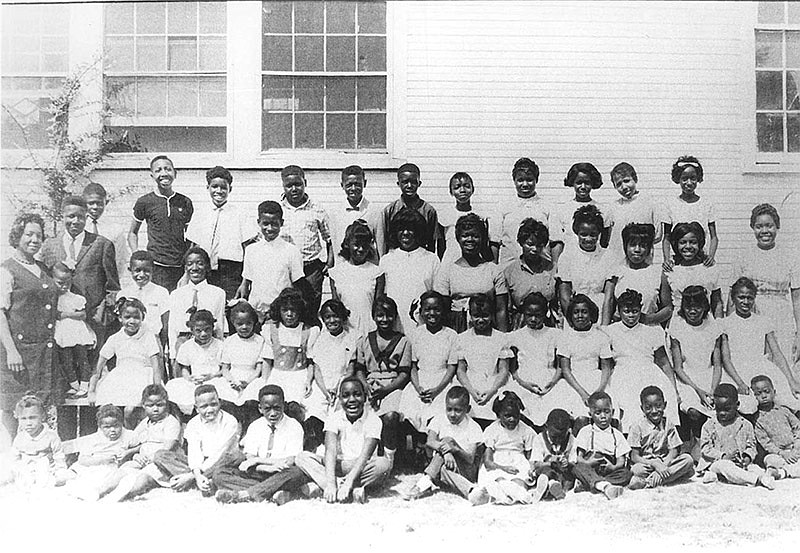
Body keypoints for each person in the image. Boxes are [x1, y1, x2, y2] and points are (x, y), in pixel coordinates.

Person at [0, 213, 59, 434]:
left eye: (39, 236)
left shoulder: (43, 268)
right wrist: (11, 352)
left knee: (41, 410)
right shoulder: (6, 270)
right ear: (17, 236)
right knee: (15, 408)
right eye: (29, 234)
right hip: (19, 354)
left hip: (44, 353)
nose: (34, 240)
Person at [41, 195, 120, 357]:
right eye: (71, 216)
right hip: (60, 320)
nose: (76, 221)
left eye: (80, 217)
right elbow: (44, 282)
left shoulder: (101, 244)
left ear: (87, 217)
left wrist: (102, 314)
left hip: (92, 318)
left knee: (90, 368)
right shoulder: (50, 246)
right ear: (62, 216)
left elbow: (113, 286)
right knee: (62, 368)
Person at [295, 376, 392, 503]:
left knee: (383, 464)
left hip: (361, 465)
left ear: (365, 398)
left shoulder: (374, 420)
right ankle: (344, 488)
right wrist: (331, 483)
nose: (352, 400)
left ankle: (336, 487)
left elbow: (365, 456)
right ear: (340, 399)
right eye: (346, 396)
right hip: (338, 465)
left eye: (357, 395)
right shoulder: (333, 418)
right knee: (302, 457)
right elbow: (330, 452)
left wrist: (348, 483)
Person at [213, 384, 310, 504]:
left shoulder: (294, 426)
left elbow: (290, 460)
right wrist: (265, 467)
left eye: (277, 408)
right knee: (219, 474)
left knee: (296, 473)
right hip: (259, 471)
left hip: (282, 472)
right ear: (260, 408)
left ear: (284, 406)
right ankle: (275, 492)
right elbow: (250, 457)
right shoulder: (255, 426)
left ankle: (245, 494)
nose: (273, 413)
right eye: (267, 409)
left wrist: (257, 461)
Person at [732, 203, 800, 365]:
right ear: (753, 228)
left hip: (781, 316)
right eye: (759, 226)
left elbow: (797, 299)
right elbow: (732, 295)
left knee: (783, 363)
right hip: (751, 314)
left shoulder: (790, 256)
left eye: (769, 226)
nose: (764, 231)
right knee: (753, 363)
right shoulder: (743, 255)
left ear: (777, 226)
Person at [722, 277, 800, 413]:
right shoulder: (725, 324)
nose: (746, 302)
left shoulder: (763, 321)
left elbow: (777, 353)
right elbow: (726, 359)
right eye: (741, 297)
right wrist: (739, 382)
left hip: (761, 367)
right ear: (733, 298)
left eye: (750, 298)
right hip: (737, 370)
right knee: (748, 405)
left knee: (792, 399)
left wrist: (791, 380)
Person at [605, 289, 679, 429]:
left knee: (661, 400)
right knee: (629, 406)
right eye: (626, 311)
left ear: (640, 310)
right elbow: (606, 364)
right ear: (619, 311)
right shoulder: (610, 331)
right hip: (623, 375)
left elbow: (664, 363)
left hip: (649, 373)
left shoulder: (652, 331)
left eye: (635, 311)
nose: (631, 315)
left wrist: (674, 389)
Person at [95, 384, 182, 502]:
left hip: (162, 463)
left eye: (160, 405)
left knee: (142, 479)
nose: (155, 409)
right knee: (123, 471)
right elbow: (135, 441)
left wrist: (148, 459)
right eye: (150, 405)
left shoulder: (171, 422)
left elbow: (167, 448)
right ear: (143, 406)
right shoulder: (146, 422)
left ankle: (117, 497)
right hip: (143, 459)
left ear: (166, 403)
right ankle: (99, 491)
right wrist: (133, 453)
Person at [352, 295, 410, 467]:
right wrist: (365, 386)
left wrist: (386, 390)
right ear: (374, 316)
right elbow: (360, 369)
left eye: (389, 315)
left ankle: (389, 459)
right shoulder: (365, 340)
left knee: (391, 416)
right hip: (369, 385)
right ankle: (364, 458)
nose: (384, 319)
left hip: (393, 386)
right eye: (380, 315)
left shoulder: (403, 341)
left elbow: (404, 374)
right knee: (364, 415)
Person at [151, 384, 240, 495]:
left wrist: (191, 476)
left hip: (222, 462)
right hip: (200, 464)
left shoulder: (230, 421)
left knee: (235, 457)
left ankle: (192, 481)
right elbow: (194, 452)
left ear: (220, 402)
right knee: (160, 455)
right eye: (204, 406)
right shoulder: (193, 423)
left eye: (213, 404)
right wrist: (197, 474)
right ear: (196, 408)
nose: (210, 409)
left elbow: (220, 453)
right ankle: (205, 481)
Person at [186, 166, 257, 301]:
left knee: (230, 306)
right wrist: (186, 275)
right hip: (205, 271)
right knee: (206, 306)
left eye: (223, 187)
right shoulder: (201, 213)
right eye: (214, 186)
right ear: (208, 188)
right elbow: (193, 248)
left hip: (231, 272)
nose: (219, 191)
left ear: (230, 189)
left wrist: (245, 281)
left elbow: (249, 250)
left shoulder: (240, 213)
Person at [668, 287, 724, 455]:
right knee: (693, 411)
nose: (693, 311)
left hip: (709, 377)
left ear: (705, 307)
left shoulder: (712, 326)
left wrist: (713, 389)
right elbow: (677, 367)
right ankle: (694, 443)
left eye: (698, 307)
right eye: (688, 307)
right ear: (683, 307)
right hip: (687, 379)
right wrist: (698, 390)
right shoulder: (678, 326)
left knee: (718, 405)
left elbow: (718, 365)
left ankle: (711, 446)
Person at [402, 386, 484, 501]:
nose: (452, 414)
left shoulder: (473, 427)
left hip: (466, 469)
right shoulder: (439, 419)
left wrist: (454, 449)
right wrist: (446, 452)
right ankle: (471, 491)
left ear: (468, 409)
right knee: (443, 466)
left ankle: (423, 484)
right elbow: (429, 442)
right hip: (444, 464)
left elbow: (470, 458)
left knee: (447, 440)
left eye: (458, 410)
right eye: (449, 409)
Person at [128, 155, 193, 292]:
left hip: (179, 267)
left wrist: (187, 269)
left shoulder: (185, 201)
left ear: (175, 174)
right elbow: (132, 233)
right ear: (152, 175)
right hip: (156, 267)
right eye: (158, 170)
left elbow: (191, 237)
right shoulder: (145, 202)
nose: (164, 173)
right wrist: (138, 256)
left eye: (168, 169)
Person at [435, 214, 508, 332]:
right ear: (458, 239)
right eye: (465, 236)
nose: (470, 240)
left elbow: (501, 310)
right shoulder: (447, 271)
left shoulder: (494, 270)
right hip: (457, 327)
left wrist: (504, 340)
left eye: (475, 236)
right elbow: (443, 311)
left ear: (483, 239)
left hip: (487, 326)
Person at [399, 291, 459, 433]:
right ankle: (415, 445)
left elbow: (451, 367)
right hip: (420, 380)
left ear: (443, 312)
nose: (432, 313)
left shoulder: (451, 335)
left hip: (443, 381)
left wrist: (437, 389)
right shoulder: (415, 334)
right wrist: (418, 387)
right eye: (427, 309)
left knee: (439, 412)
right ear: (421, 312)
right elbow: (412, 366)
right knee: (411, 409)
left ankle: (431, 446)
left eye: (437, 309)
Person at [236, 200, 305, 323]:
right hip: (256, 312)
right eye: (265, 224)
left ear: (281, 223)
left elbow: (297, 285)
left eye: (274, 224)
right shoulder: (251, 250)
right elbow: (246, 282)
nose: (270, 228)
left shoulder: (291, 251)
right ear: (259, 223)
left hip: (280, 314)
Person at [279, 165, 334, 316]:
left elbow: (329, 239)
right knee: (287, 309)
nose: (294, 189)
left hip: (310, 269)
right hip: (286, 269)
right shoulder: (278, 210)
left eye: (298, 184)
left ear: (305, 183)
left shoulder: (317, 209)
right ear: (283, 186)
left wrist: (329, 263)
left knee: (309, 309)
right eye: (289, 186)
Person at [89, 297, 161, 411]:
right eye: (127, 317)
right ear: (120, 318)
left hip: (142, 376)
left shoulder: (148, 336)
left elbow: (156, 367)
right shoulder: (115, 338)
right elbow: (98, 368)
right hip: (120, 377)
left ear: (143, 318)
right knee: (107, 407)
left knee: (130, 410)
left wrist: (158, 390)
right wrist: (92, 391)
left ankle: (130, 428)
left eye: (137, 317)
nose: (132, 321)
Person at [699, 383, 775, 490]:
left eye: (727, 409)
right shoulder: (709, 425)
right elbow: (705, 449)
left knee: (754, 467)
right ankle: (756, 480)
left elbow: (752, 446)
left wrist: (747, 457)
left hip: (739, 463)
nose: (722, 413)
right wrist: (723, 456)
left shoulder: (746, 424)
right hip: (716, 462)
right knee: (724, 466)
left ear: (737, 405)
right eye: (718, 409)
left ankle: (761, 476)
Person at [473, 391, 542, 505]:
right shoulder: (492, 430)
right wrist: (503, 468)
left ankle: (515, 492)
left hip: (517, 460)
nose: (512, 419)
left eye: (516, 416)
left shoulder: (526, 430)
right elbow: (487, 461)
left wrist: (531, 468)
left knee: (521, 478)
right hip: (498, 462)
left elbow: (531, 456)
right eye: (507, 416)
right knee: (497, 478)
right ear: (498, 415)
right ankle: (503, 492)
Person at [260, 288, 320, 414]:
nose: (289, 314)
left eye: (293, 310)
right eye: (285, 310)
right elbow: (267, 360)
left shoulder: (308, 331)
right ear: (279, 311)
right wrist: (264, 381)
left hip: (300, 376)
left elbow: (310, 361)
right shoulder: (271, 330)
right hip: (277, 375)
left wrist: (308, 380)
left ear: (300, 311)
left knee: (303, 405)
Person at [379, 208, 440, 333]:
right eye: (401, 229)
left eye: (411, 229)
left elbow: (436, 297)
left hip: (423, 328)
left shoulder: (432, 259)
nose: (405, 233)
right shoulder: (387, 260)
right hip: (395, 329)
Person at [506, 292, 562, 427]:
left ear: (545, 313)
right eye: (529, 315)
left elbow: (561, 366)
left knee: (556, 402)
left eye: (537, 315)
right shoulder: (515, 336)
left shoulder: (555, 334)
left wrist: (552, 382)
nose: (533, 319)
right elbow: (512, 369)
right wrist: (522, 382)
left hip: (549, 379)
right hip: (524, 379)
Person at [492, 157, 561, 266]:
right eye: (520, 180)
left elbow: (556, 241)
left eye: (529, 179)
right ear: (514, 180)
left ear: (536, 180)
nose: (525, 184)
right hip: (509, 267)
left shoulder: (548, 206)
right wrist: (494, 268)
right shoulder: (502, 206)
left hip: (541, 269)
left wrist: (555, 266)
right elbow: (494, 241)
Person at [456, 294, 513, 425]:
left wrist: (491, 391)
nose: (481, 320)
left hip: (495, 382)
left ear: (492, 315)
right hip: (470, 382)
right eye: (476, 315)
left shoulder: (501, 338)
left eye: (485, 315)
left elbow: (503, 370)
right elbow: (461, 370)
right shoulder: (462, 338)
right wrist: (471, 390)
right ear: (470, 315)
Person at [166, 247, 226, 371]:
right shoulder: (176, 295)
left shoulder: (218, 293)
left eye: (200, 263)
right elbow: (172, 328)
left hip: (208, 342)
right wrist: (173, 354)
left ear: (207, 267)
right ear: (185, 268)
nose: (195, 268)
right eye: (190, 264)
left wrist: (221, 352)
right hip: (183, 342)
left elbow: (219, 325)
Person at [558, 295, 613, 421]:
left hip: (597, 380)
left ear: (591, 314)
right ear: (571, 316)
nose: (580, 316)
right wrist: (582, 393)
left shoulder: (601, 336)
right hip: (574, 382)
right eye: (576, 312)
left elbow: (606, 367)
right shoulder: (565, 338)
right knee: (578, 416)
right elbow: (565, 369)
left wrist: (599, 390)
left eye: (584, 312)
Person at [627, 386, 694, 490]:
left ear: (665, 405)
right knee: (637, 470)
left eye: (658, 406)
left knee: (688, 460)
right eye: (648, 407)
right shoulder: (636, 426)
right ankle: (674, 475)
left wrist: (663, 465)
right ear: (642, 408)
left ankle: (648, 482)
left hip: (665, 461)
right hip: (646, 464)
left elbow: (674, 450)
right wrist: (654, 464)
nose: (654, 411)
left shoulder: (668, 424)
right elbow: (634, 456)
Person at [603, 223, 670, 326]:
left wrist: (649, 319)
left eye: (643, 246)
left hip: (649, 329)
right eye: (633, 245)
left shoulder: (658, 273)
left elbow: (668, 308)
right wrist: (605, 329)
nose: (637, 250)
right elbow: (609, 301)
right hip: (621, 330)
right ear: (625, 247)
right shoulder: (616, 271)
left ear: (649, 249)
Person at [67, 404, 137, 500]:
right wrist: (102, 460)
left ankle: (94, 493)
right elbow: (82, 460)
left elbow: (140, 446)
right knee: (69, 476)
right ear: (100, 427)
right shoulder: (94, 439)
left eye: (116, 426)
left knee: (108, 479)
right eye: (107, 427)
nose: (112, 430)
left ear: (122, 423)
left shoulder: (128, 435)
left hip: (110, 468)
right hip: (92, 464)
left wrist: (128, 452)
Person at [571, 391, 631, 500]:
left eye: (606, 412)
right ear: (590, 414)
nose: (603, 416)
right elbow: (579, 458)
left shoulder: (617, 434)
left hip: (609, 470)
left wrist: (613, 467)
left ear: (612, 412)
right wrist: (588, 462)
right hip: (590, 467)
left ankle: (592, 484)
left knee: (626, 473)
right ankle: (603, 485)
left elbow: (621, 460)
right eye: (598, 413)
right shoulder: (586, 431)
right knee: (578, 468)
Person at [329, 220, 384, 336]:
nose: (360, 249)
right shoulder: (336, 273)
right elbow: (336, 307)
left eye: (365, 245)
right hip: (345, 330)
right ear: (347, 244)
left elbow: (378, 306)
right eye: (356, 245)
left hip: (370, 329)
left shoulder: (377, 272)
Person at [166, 310, 225, 416]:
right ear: (192, 331)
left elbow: (224, 369)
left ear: (212, 328)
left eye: (207, 330)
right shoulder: (187, 346)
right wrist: (189, 378)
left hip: (214, 379)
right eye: (198, 331)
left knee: (222, 388)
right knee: (172, 385)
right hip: (195, 380)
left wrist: (212, 376)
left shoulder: (220, 345)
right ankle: (189, 415)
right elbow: (184, 368)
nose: (203, 334)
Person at [307, 300, 359, 422]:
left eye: (335, 316)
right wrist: (325, 392)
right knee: (314, 410)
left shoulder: (351, 338)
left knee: (340, 414)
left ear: (342, 317)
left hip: (342, 384)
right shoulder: (320, 339)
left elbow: (350, 369)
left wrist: (338, 388)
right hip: (322, 386)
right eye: (327, 317)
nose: (331, 321)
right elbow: (317, 369)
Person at [662, 156, 718, 269]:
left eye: (693, 178)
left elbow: (714, 237)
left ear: (698, 178)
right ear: (678, 179)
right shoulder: (670, 204)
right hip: (679, 260)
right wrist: (667, 260)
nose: (689, 183)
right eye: (684, 178)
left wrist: (711, 256)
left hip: (701, 259)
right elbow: (666, 237)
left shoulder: (706, 204)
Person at [502, 217, 558, 329]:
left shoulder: (552, 269)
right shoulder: (510, 272)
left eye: (539, 245)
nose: (535, 249)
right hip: (520, 325)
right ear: (521, 243)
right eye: (530, 244)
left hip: (547, 325)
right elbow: (506, 308)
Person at [116, 251, 169, 366]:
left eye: (146, 270)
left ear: (152, 270)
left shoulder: (161, 292)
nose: (142, 274)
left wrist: (161, 346)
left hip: (153, 341)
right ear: (130, 270)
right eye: (137, 270)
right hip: (130, 341)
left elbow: (165, 326)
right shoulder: (123, 294)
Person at [557, 204, 611, 315]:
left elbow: (609, 297)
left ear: (599, 233)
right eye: (584, 234)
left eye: (593, 234)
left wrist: (605, 325)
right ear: (577, 232)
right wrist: (573, 321)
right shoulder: (567, 256)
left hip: (600, 312)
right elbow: (564, 296)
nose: (588, 239)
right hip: (575, 314)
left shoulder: (607, 256)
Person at [51, 262, 95, 399]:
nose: (64, 286)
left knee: (82, 358)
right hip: (62, 334)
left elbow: (82, 315)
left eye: (67, 283)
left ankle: (84, 385)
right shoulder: (52, 298)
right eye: (60, 283)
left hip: (77, 332)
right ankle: (74, 385)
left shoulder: (75, 298)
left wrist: (64, 315)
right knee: (66, 360)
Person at [9, 393, 71, 487]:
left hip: (47, 471)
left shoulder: (51, 436)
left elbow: (59, 456)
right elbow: (15, 458)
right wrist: (18, 469)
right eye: (23, 419)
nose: (28, 423)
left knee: (44, 465)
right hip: (26, 471)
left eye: (32, 418)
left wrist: (60, 471)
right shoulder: (20, 438)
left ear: (42, 417)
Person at [663, 222, 723, 319]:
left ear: (700, 243)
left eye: (693, 242)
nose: (688, 246)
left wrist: (720, 328)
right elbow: (667, 307)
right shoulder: (670, 269)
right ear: (676, 244)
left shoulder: (709, 268)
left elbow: (717, 303)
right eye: (682, 242)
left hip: (705, 323)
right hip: (679, 322)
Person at [606, 162, 662, 264]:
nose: (624, 187)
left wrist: (639, 246)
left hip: (642, 261)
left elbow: (658, 234)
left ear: (635, 179)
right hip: (617, 261)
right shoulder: (613, 207)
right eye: (618, 184)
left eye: (627, 181)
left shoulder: (650, 203)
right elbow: (607, 236)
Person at [379, 162, 440, 256]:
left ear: (419, 183)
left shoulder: (428, 211)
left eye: (413, 182)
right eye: (405, 182)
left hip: (420, 258)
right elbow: (384, 241)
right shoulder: (389, 210)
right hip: (396, 258)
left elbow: (431, 241)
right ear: (398, 183)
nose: (409, 185)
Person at [218, 301, 267, 406]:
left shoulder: (260, 341)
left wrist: (248, 382)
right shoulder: (229, 341)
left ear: (254, 323)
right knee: (223, 392)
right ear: (233, 323)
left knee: (253, 393)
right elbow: (225, 368)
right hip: (232, 377)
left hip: (251, 378)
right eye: (240, 324)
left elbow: (258, 369)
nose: (244, 327)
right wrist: (231, 381)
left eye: (248, 323)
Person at [438, 172, 494, 263]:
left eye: (466, 186)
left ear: (473, 189)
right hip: (450, 262)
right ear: (451, 191)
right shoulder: (444, 216)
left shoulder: (481, 216)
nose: (462, 190)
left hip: (474, 263)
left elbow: (484, 246)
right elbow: (441, 247)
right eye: (457, 187)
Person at [751, 375, 800, 480]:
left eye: (766, 391)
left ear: (774, 392)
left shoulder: (784, 411)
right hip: (778, 453)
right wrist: (782, 454)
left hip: (795, 448)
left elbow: (797, 428)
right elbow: (765, 442)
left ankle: (782, 473)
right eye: (759, 393)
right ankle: (783, 470)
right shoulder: (758, 419)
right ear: (754, 396)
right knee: (770, 460)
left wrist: (796, 447)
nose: (763, 396)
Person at [330, 165, 383, 260]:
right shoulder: (335, 213)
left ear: (365, 183)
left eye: (358, 184)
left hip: (368, 267)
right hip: (343, 267)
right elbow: (334, 244)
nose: (353, 188)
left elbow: (380, 245)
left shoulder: (375, 211)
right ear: (342, 185)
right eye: (349, 185)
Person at [82, 182, 129, 288]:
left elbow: (120, 260)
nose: (95, 207)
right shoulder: (80, 227)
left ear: (106, 202)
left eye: (99, 203)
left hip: (106, 284)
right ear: (84, 203)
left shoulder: (115, 229)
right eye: (91, 203)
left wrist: (112, 282)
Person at [556, 162, 611, 252]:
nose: (583, 187)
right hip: (570, 259)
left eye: (587, 183)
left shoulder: (603, 210)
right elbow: (558, 242)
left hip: (595, 259)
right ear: (572, 182)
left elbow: (604, 243)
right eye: (579, 182)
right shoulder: (563, 209)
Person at [529, 408, 576, 500]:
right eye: (554, 436)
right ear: (546, 427)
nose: (558, 440)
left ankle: (552, 487)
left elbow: (573, 461)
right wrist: (551, 462)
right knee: (545, 471)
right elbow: (535, 464)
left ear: (568, 430)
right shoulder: (539, 439)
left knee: (571, 474)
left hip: (562, 472)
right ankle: (550, 485)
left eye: (562, 437)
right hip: (546, 470)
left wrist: (567, 463)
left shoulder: (572, 440)